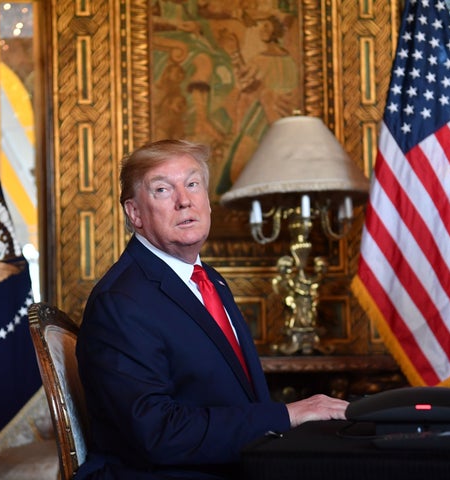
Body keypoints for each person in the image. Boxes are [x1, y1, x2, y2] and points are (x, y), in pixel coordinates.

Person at [75, 139, 348, 479]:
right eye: (162, 189)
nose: (184, 200)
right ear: (135, 214)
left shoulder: (208, 281)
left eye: (192, 184)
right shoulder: (120, 301)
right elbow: (157, 432)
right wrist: (285, 415)